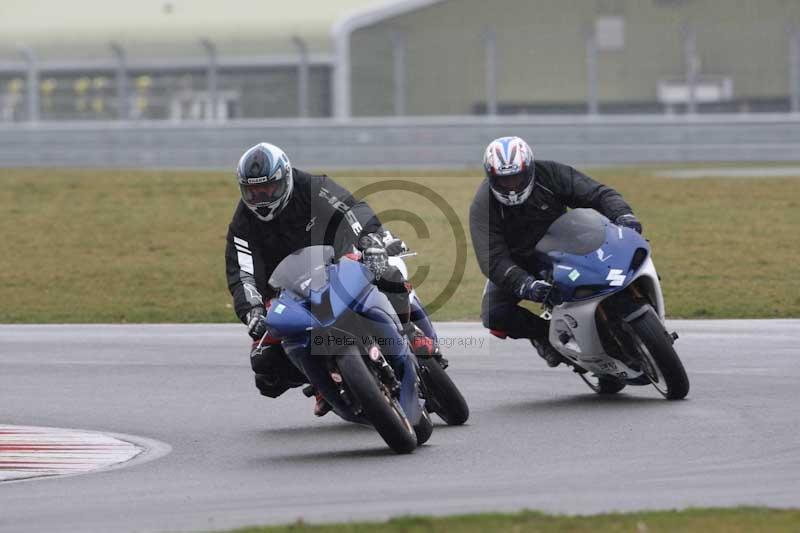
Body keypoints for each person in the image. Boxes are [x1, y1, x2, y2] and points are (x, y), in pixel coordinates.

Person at [225, 142, 439, 415]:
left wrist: (371, 239)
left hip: (337, 265)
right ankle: (322, 381)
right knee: (264, 366)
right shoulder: (242, 224)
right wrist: (251, 311)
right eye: (253, 192)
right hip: (289, 293)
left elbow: (352, 209)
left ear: (286, 178)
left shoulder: (312, 187)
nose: (262, 198)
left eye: (268, 189)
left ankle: (411, 330)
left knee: (387, 270)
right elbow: (243, 273)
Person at [469, 136, 642, 367]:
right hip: (521, 261)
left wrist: (624, 215)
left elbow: (598, 193)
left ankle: (639, 296)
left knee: (624, 249)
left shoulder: (549, 173)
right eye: (504, 180)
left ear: (529, 169)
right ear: (491, 177)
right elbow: (491, 258)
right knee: (493, 314)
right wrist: (524, 283)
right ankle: (544, 337)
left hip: (567, 241)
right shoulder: (483, 205)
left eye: (517, 177)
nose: (511, 186)